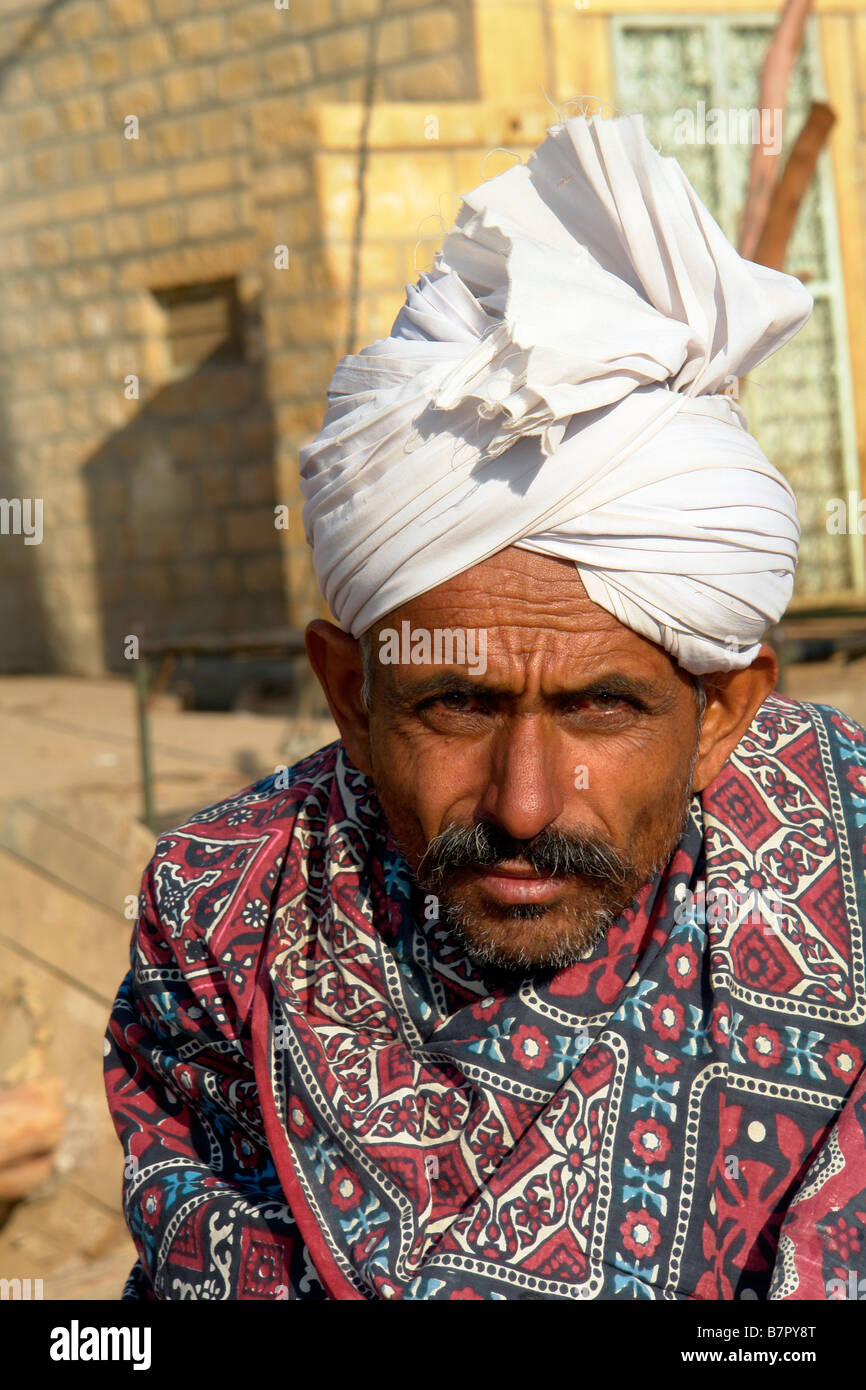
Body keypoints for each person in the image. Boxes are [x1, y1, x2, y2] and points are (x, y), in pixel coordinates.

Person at [104, 111, 866, 1301]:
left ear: (721, 710)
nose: (520, 804)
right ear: (350, 693)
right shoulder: (223, 916)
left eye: (601, 708)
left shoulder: (850, 852)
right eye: (455, 705)